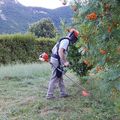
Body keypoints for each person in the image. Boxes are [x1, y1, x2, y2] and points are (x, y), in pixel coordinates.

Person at [46, 28, 79, 99]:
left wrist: (62, 61)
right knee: (55, 77)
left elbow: (54, 50)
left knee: (60, 76)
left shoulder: (63, 40)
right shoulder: (66, 41)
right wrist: (65, 62)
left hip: (56, 59)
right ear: (73, 37)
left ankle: (63, 93)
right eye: (75, 39)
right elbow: (60, 51)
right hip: (56, 60)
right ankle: (49, 95)